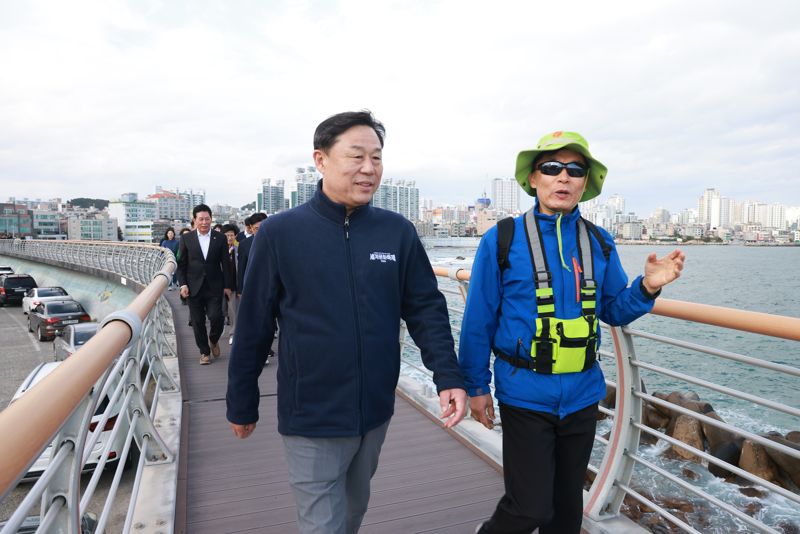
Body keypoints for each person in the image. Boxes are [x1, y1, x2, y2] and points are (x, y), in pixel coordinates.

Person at [226, 110, 467, 534]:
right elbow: (254, 325)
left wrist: (448, 375)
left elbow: (426, 308)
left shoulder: (397, 232)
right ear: (320, 160)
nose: (369, 169)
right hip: (311, 413)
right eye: (356, 156)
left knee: (353, 512)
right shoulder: (280, 233)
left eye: (376, 158)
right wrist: (241, 401)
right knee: (322, 525)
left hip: (375, 410)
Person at [460, 131, 685, 534]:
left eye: (575, 170)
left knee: (565, 513)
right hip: (524, 394)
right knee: (527, 507)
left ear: (585, 182)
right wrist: (477, 387)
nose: (563, 178)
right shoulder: (503, 239)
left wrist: (648, 286)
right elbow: (479, 320)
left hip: (582, 396)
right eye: (551, 168)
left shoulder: (599, 242)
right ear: (533, 178)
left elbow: (615, 310)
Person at [177, 204, 233, 366]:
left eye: (207, 219)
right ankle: (204, 352)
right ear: (194, 220)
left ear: (211, 219)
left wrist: (227, 286)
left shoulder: (220, 238)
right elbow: (181, 264)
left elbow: (226, 263)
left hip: (215, 286)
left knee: (217, 317)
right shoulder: (187, 239)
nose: (204, 222)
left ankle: (213, 339)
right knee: (197, 321)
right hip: (193, 287)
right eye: (200, 219)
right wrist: (183, 285)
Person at [221, 223, 239, 345]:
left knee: (233, 311)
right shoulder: (218, 250)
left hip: (233, 285)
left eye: (231, 235)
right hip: (218, 285)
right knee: (219, 312)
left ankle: (233, 333)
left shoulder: (238, 250)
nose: (229, 238)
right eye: (227, 235)